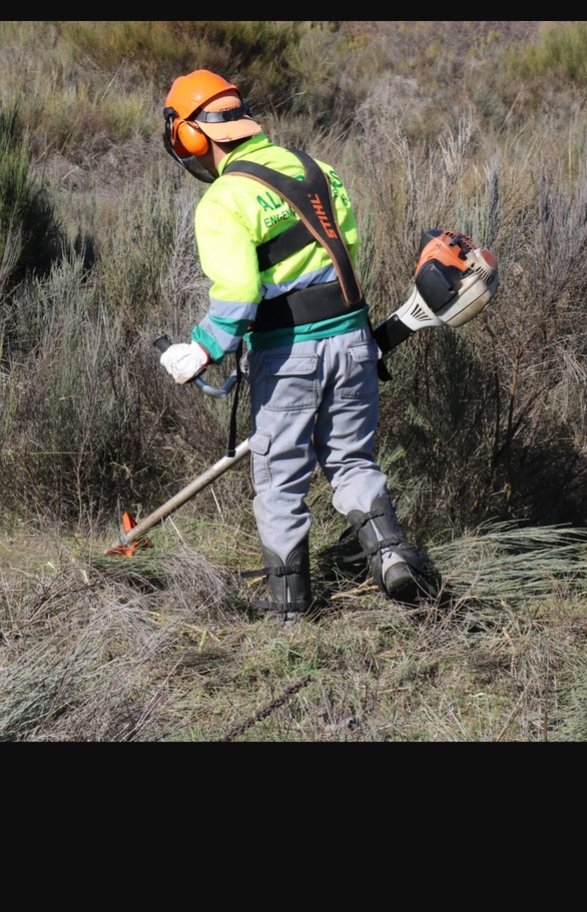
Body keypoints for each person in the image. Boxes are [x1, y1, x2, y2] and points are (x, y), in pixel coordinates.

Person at [158, 69, 434, 620]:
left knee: (280, 477)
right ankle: (392, 555)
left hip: (289, 355)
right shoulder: (319, 170)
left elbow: (237, 295)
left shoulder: (223, 201)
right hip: (354, 338)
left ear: (190, 137)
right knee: (352, 459)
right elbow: (346, 248)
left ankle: (288, 604)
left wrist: (200, 350)